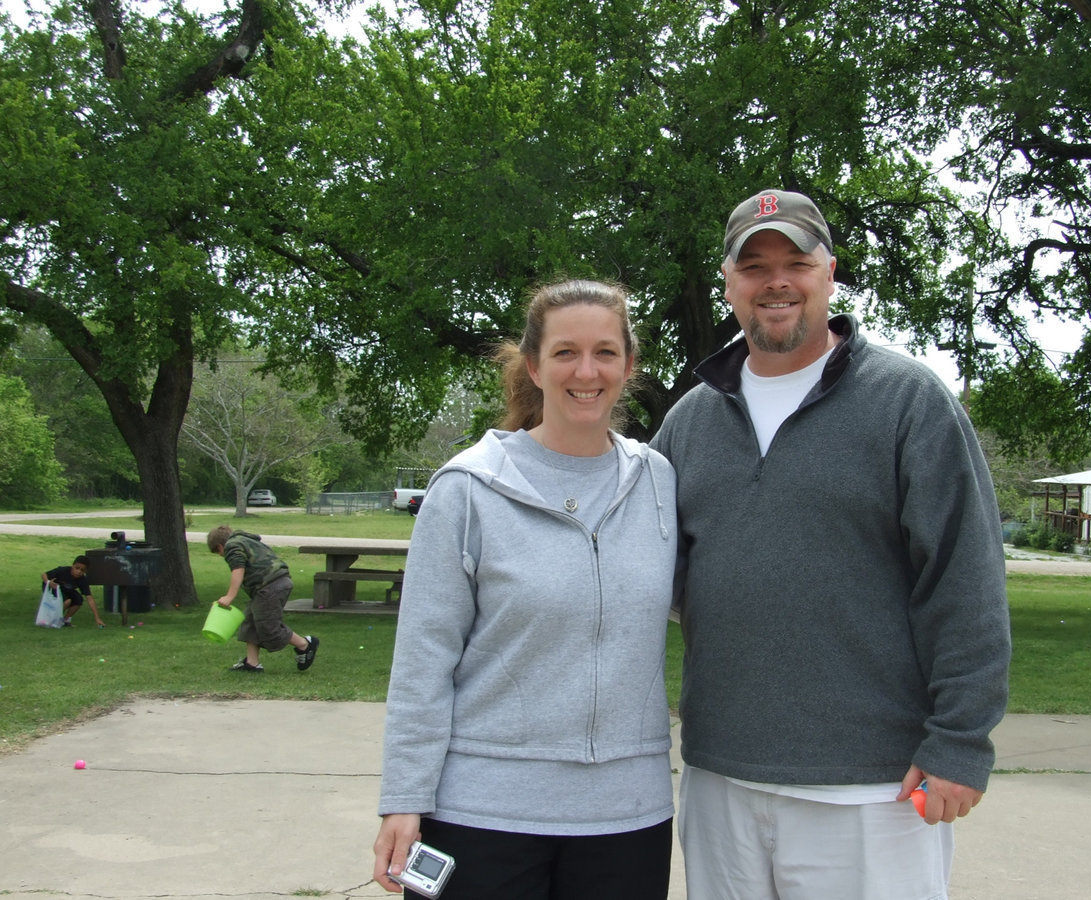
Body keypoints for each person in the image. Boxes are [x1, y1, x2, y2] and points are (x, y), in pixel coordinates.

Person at [650, 189, 1011, 899]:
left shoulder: (908, 401)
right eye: (754, 266)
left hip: (874, 787)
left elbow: (964, 578)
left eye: (797, 261)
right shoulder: (690, 420)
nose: (775, 281)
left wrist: (961, 741)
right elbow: (640, 565)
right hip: (722, 777)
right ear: (728, 283)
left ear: (830, 273)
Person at [372, 280, 678, 899]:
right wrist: (404, 799)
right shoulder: (466, 490)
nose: (585, 371)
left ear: (630, 366)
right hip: (481, 815)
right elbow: (423, 660)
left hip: (628, 816)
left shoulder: (659, 483)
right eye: (565, 352)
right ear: (534, 367)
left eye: (605, 353)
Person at [206, 525, 318, 673]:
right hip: (275, 583)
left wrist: (230, 596)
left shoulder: (232, 546)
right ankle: (252, 663)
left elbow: (238, 569)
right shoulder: (245, 540)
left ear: (220, 546)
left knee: (268, 626)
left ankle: (305, 644)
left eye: (218, 552)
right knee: (250, 622)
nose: (222, 556)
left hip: (270, 585)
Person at [42, 555, 104, 628]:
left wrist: (97, 618)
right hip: (54, 587)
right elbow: (44, 574)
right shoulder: (63, 570)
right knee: (67, 601)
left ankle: (65, 620)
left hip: (67, 590)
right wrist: (48, 582)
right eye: (77, 568)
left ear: (86, 571)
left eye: (82, 570)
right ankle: (53, 619)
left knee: (78, 599)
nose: (78, 572)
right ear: (73, 566)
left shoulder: (82, 580)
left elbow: (89, 598)